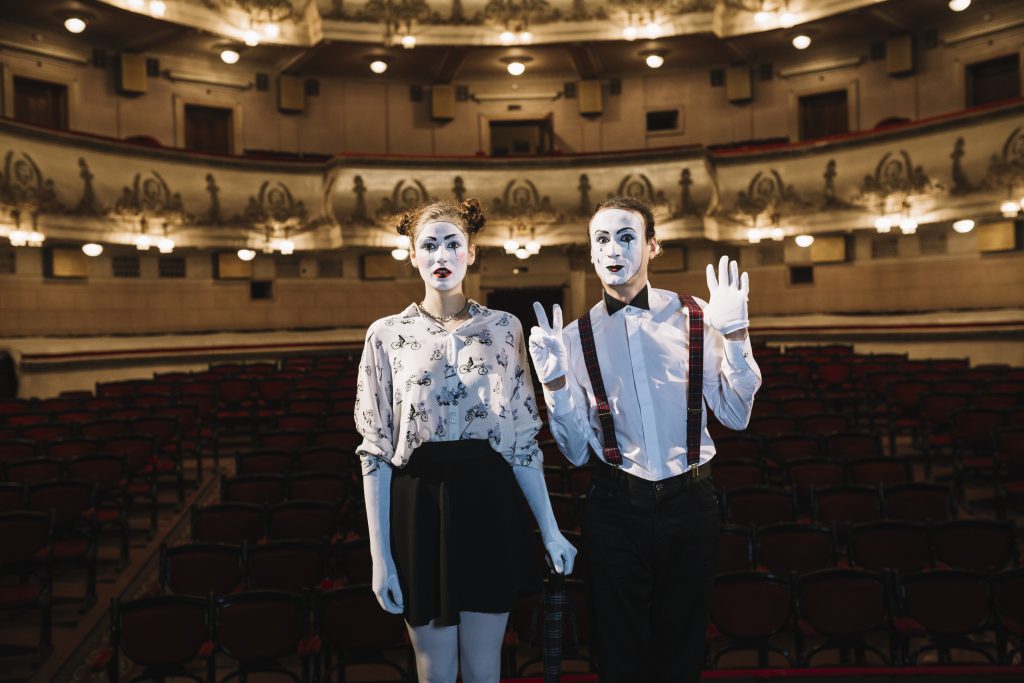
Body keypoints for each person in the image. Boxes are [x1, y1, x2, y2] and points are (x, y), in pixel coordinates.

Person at [528, 196, 761, 682]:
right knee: (618, 652)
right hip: (615, 506)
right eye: (602, 239)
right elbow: (573, 452)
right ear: (591, 254)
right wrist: (553, 384)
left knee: (682, 648)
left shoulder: (698, 316)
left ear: (654, 247)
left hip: (691, 502)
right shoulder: (573, 339)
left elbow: (736, 415)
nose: (614, 249)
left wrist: (736, 336)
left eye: (628, 236)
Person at [355, 198, 576, 683]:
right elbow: (374, 453)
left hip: (487, 499)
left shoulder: (504, 329)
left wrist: (551, 529)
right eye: (429, 245)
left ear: (471, 253)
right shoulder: (385, 335)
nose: (441, 255)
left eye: (452, 244)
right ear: (412, 254)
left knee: (483, 671)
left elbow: (522, 441)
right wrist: (380, 557)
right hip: (418, 504)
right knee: (434, 673)